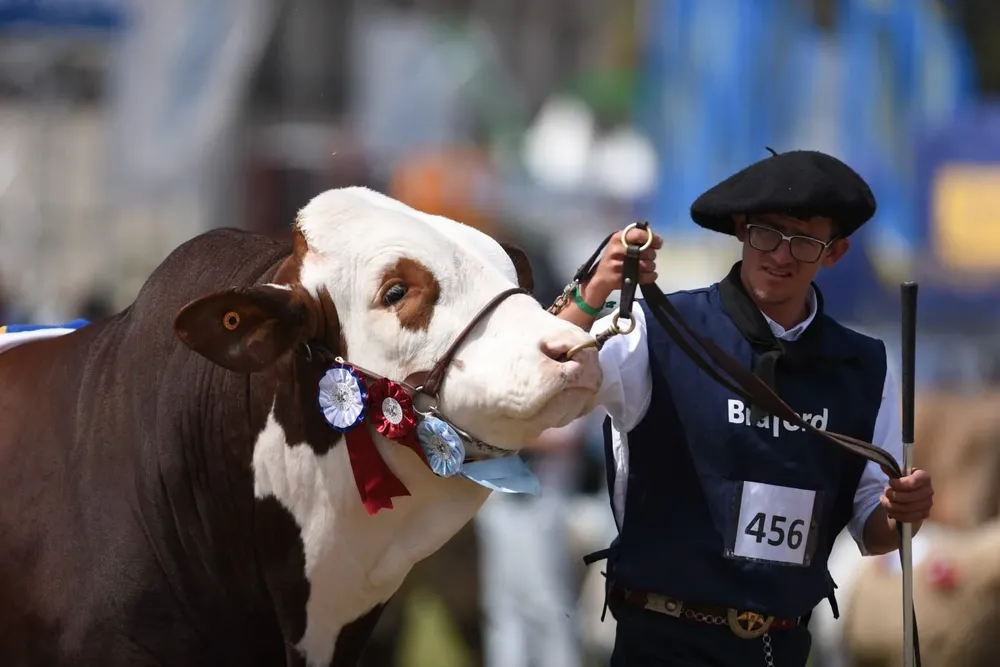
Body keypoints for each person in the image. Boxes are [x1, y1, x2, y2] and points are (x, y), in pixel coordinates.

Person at [556, 149, 935, 666]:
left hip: (782, 647)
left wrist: (902, 513)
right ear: (740, 229)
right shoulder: (655, 329)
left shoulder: (865, 367)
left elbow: (873, 529)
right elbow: (544, 380)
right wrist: (594, 287)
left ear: (835, 252)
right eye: (767, 233)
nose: (781, 255)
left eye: (803, 242)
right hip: (661, 642)